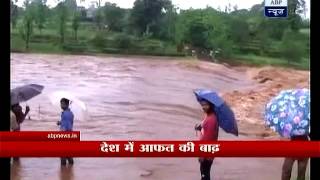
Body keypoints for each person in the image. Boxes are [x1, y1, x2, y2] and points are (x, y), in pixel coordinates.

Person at [195, 100, 219, 180]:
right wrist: (200, 127)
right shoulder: (211, 116)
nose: (204, 107)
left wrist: (202, 155)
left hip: (206, 154)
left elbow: (206, 139)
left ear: (211, 105)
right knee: (205, 173)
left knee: (204, 174)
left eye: (206, 105)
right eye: (203, 105)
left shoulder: (211, 120)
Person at [57, 98, 75, 166]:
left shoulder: (65, 114)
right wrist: (60, 122)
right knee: (68, 154)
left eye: (62, 104)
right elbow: (68, 123)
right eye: (61, 103)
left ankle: (64, 172)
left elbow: (65, 127)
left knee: (63, 155)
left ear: (67, 104)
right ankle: (70, 169)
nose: (61, 105)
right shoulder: (70, 113)